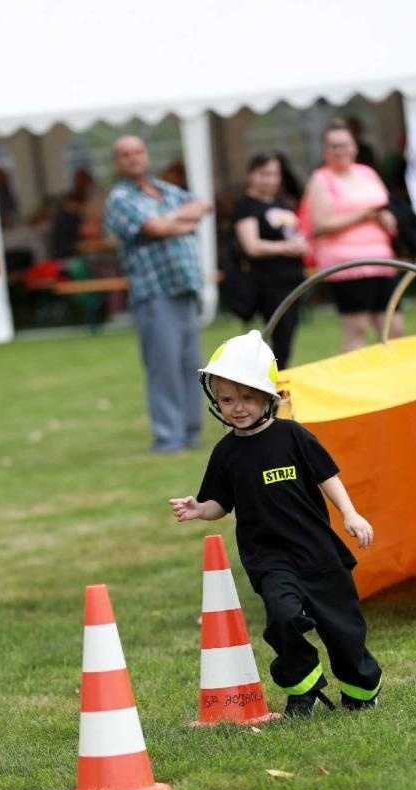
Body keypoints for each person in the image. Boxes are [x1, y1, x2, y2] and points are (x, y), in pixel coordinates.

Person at [169, 330, 382, 717]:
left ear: (268, 397)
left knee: (344, 631)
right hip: (269, 560)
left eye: (248, 397)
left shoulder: (293, 435)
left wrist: (350, 513)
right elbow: (221, 502)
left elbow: (326, 476)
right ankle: (303, 689)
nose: (237, 407)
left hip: (320, 555)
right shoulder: (226, 453)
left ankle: (361, 692)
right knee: (283, 619)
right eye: (228, 399)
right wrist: (201, 509)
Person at [105, 136, 213, 453]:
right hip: (154, 293)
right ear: (117, 162)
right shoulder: (119, 199)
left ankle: (191, 432)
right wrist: (179, 221)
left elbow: (202, 205)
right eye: (125, 154)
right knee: (163, 366)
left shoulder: (163, 188)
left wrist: (171, 221)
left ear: (146, 155)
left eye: (138, 151)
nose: (133, 158)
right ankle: (168, 437)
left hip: (184, 285)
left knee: (191, 364)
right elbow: (154, 229)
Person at [302, 119, 402, 352]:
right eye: (334, 146)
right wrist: (363, 215)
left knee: (393, 326)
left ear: (355, 147)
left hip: (381, 259)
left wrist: (387, 219)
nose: (340, 151)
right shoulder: (321, 179)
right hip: (347, 265)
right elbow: (321, 223)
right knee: (357, 327)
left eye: (345, 145)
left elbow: (385, 205)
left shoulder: (367, 173)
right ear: (325, 150)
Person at [230, 152, 307, 369]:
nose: (270, 179)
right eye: (264, 174)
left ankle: (280, 379)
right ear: (251, 175)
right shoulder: (246, 206)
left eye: (274, 174)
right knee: (275, 338)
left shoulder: (282, 203)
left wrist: (300, 245)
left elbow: (295, 233)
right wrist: (286, 248)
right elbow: (251, 246)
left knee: (287, 337)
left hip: (291, 279)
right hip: (265, 282)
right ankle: (271, 384)